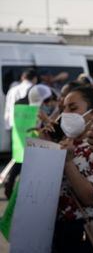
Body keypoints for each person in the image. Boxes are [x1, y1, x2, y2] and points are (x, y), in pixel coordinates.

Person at [52, 86, 93, 253]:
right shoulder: (68, 141)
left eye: (72, 108)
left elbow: (89, 197)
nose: (65, 113)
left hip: (88, 234)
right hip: (62, 230)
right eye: (63, 108)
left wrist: (68, 163)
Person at [3, 68, 37, 198]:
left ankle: (10, 184)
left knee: (17, 156)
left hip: (15, 128)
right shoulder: (34, 89)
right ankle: (13, 186)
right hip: (29, 127)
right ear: (34, 78)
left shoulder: (12, 90)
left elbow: (8, 109)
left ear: (23, 77)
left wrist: (9, 126)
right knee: (25, 159)